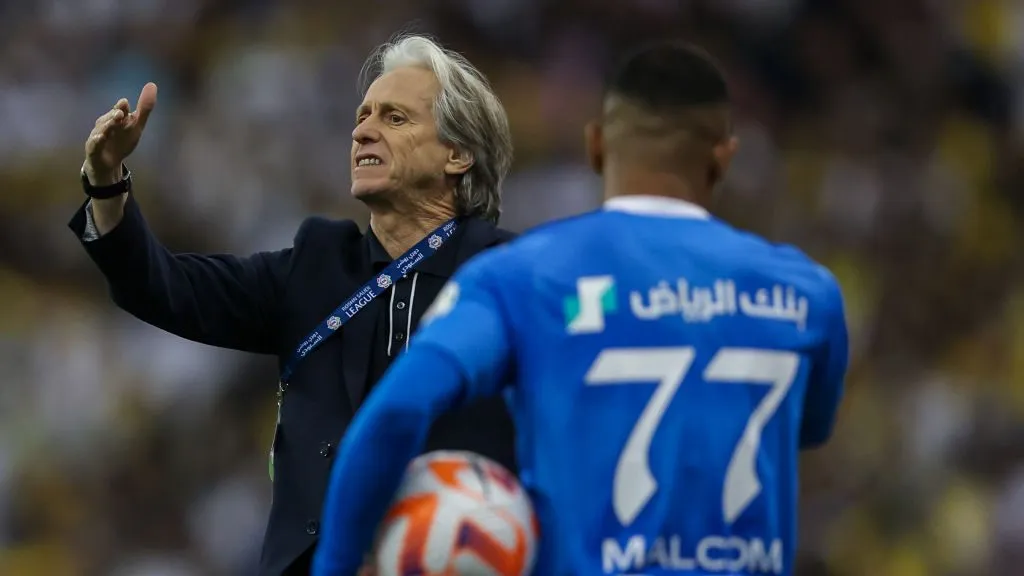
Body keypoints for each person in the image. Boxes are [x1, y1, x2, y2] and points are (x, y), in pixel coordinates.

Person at [313, 41, 849, 576]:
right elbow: (808, 428)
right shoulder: (808, 294)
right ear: (723, 158)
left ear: (595, 146)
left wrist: (336, 565)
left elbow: (396, 412)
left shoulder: (523, 278)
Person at [68, 34, 518, 576]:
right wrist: (107, 185)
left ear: (458, 153)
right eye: (363, 115)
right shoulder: (315, 267)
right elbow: (163, 287)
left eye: (395, 118)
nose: (363, 130)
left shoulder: (513, 278)